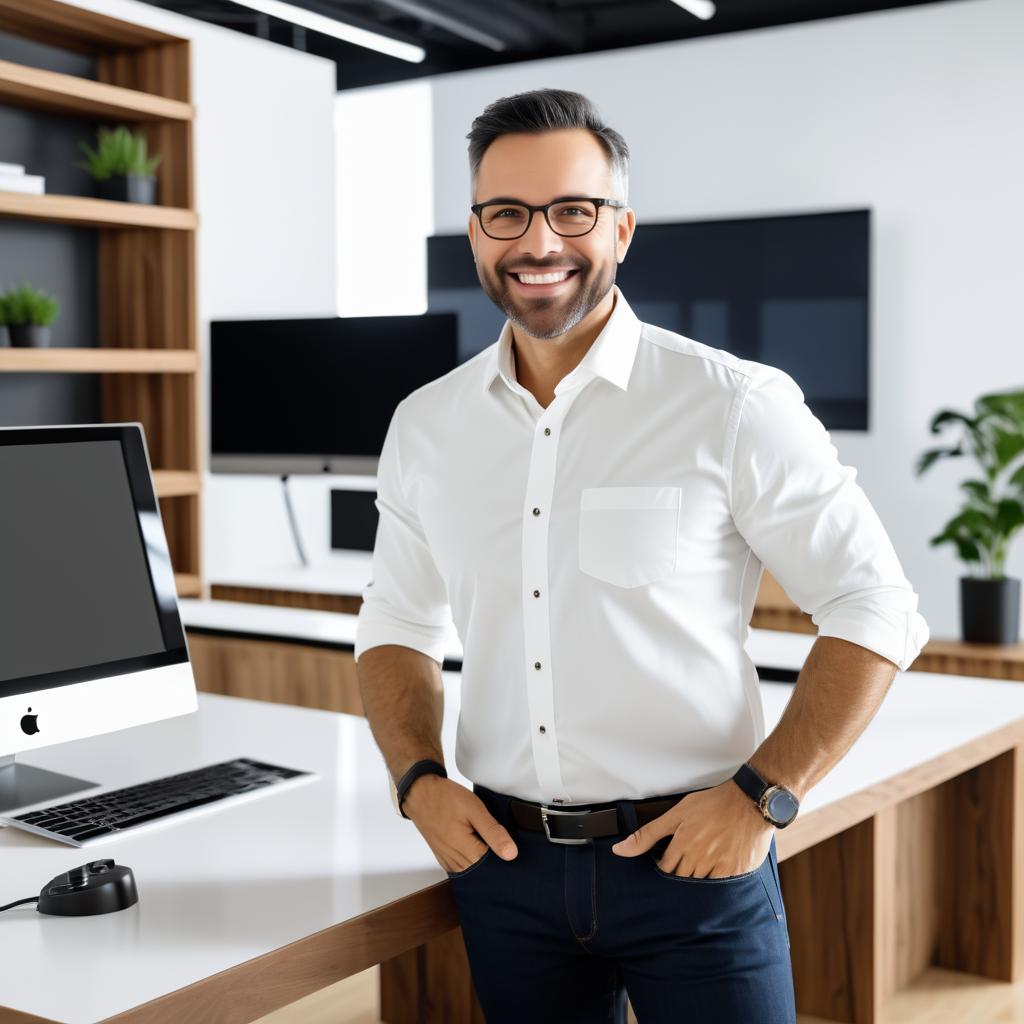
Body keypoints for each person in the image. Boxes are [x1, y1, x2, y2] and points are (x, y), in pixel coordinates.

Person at [354, 88, 929, 1023]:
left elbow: (876, 606)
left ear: (621, 228)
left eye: (572, 210)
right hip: (505, 868)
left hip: (694, 859)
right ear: (475, 234)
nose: (539, 242)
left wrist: (762, 799)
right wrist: (418, 781)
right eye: (507, 213)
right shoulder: (426, 425)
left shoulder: (733, 402)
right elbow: (396, 624)